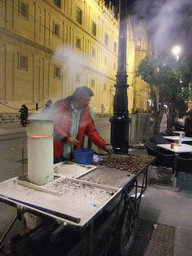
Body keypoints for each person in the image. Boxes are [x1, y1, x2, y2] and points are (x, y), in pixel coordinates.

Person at [53, 86, 113, 163]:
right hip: (57, 152)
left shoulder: (86, 111)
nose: (88, 103)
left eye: (88, 100)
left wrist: (103, 146)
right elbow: (52, 127)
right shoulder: (61, 106)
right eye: (86, 100)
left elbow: (91, 132)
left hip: (74, 151)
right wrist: (66, 138)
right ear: (77, 98)